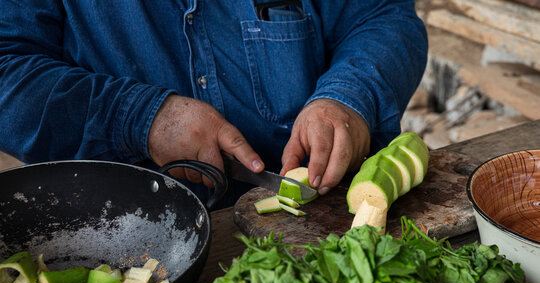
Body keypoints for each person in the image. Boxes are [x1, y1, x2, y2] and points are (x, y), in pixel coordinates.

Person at [0, 0, 428, 208]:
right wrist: (137, 118)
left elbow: (381, 16)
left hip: (322, 214)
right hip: (120, 233)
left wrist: (348, 96)